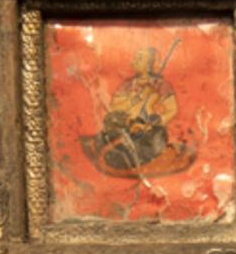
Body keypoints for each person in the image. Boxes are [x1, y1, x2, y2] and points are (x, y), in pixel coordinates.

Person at [83, 45, 194, 177]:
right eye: (135, 58)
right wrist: (137, 98)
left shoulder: (161, 86)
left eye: (140, 58)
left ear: (149, 64)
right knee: (110, 126)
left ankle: (129, 152)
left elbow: (171, 109)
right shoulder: (128, 85)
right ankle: (110, 142)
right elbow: (115, 107)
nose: (134, 61)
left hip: (150, 129)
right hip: (128, 125)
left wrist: (156, 119)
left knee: (144, 146)